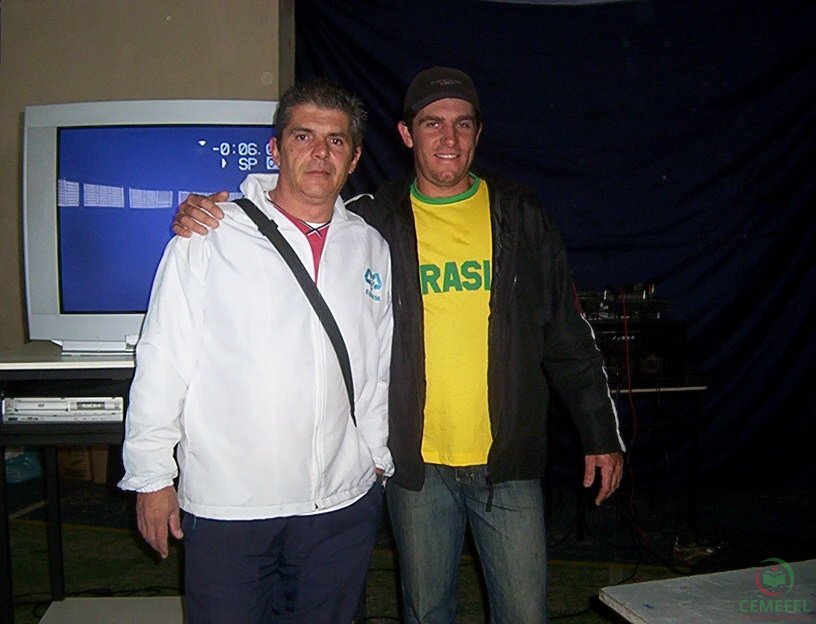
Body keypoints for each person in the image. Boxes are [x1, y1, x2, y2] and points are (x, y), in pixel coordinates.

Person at [173, 67, 624, 624]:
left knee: (525, 613)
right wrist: (207, 212)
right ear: (407, 134)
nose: (449, 138)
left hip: (506, 462)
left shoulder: (522, 218)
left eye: (463, 124)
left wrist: (601, 433)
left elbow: (567, 335)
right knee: (425, 612)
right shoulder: (373, 220)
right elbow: (297, 203)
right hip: (414, 467)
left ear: (478, 133)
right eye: (432, 123)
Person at [119, 78, 394, 624]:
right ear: (275, 148)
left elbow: (378, 367)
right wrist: (151, 476)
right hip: (231, 506)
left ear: (355, 157)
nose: (320, 152)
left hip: (339, 506)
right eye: (303, 136)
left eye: (336, 140)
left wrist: (376, 459)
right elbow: (163, 359)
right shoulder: (210, 235)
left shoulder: (370, 246)